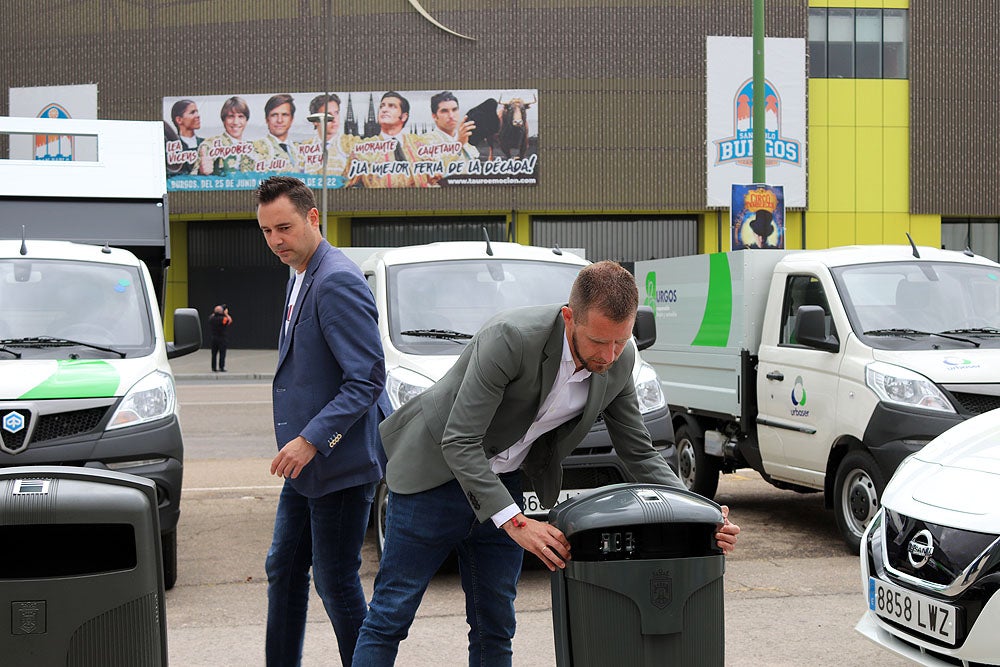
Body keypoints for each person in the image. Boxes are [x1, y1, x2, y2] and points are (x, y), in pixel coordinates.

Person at [352, 261, 741, 666]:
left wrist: (702, 515)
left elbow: (639, 453)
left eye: (620, 341)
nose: (609, 356)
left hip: (503, 482)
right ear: (568, 317)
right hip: (431, 478)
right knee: (391, 616)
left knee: (495, 626)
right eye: (598, 342)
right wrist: (518, 524)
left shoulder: (619, 359)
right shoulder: (511, 338)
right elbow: (460, 441)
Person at [255, 175, 388, 667]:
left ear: (314, 218)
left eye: (284, 228)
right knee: (284, 570)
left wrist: (311, 440)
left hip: (339, 463)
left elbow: (368, 379)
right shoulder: (302, 273)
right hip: (307, 466)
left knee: (335, 581)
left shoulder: (336, 280)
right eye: (267, 231)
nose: (276, 241)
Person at [343, 91, 437, 188]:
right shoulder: (362, 149)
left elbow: (437, 180)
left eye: (391, 106)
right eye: (382, 106)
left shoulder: (419, 146)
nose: (384, 110)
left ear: (404, 116)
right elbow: (347, 184)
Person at [295, 93, 359, 178]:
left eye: (336, 113)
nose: (334, 119)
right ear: (315, 121)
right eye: (328, 115)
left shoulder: (352, 144)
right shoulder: (304, 148)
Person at [198, 96, 258, 176]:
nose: (236, 122)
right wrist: (201, 172)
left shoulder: (253, 147)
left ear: (246, 120)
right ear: (224, 120)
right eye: (231, 116)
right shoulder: (211, 144)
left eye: (240, 116)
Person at [254, 94, 300, 173]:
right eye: (274, 115)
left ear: (291, 119)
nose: (279, 120)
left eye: (284, 115)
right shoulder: (255, 148)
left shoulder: (298, 148)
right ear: (267, 119)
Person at [207, 304, 232, 372]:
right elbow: (229, 320)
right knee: (222, 353)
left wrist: (216, 311)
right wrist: (226, 314)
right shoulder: (223, 319)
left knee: (214, 354)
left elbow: (211, 316)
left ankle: (213, 368)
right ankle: (221, 367)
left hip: (214, 338)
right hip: (222, 338)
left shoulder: (212, 319)